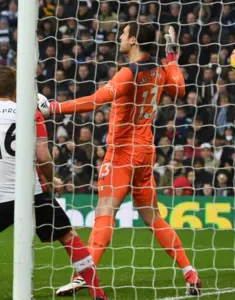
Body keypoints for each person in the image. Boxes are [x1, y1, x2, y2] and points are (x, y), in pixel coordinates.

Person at [40, 24, 202, 296]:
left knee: (105, 212)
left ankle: (83, 275)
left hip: (122, 151)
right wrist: (172, 57)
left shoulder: (130, 72)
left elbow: (95, 100)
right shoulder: (160, 70)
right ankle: (190, 274)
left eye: (124, 35)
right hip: (146, 150)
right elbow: (181, 90)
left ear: (135, 41)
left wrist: (55, 107)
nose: (120, 39)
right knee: (153, 217)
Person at [0, 66, 108, 300]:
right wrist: (50, 180)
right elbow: (44, 157)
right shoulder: (31, 113)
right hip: (34, 191)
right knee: (68, 236)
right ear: (16, 87)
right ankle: (99, 294)